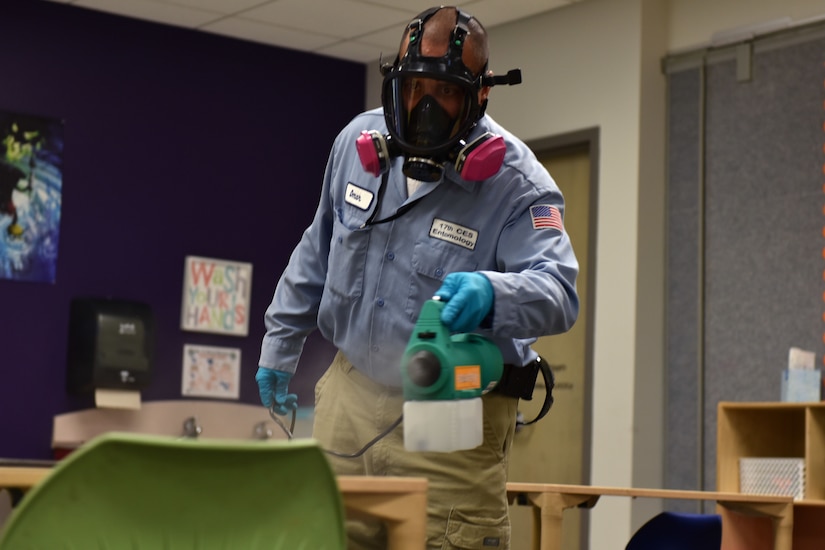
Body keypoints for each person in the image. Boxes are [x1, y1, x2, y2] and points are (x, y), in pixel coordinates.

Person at [256, 6, 579, 549]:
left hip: (448, 413)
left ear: (480, 96)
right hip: (348, 399)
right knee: (321, 537)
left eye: (445, 92)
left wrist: (491, 292)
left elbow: (560, 292)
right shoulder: (356, 148)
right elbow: (317, 248)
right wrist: (278, 349)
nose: (424, 106)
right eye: (414, 88)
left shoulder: (518, 185)